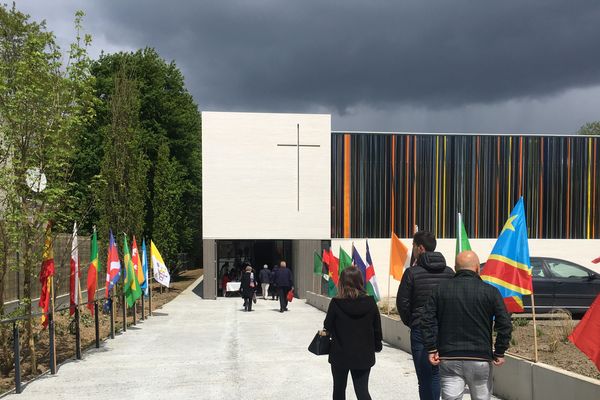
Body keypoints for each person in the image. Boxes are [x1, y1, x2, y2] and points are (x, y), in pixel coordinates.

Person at [421, 251, 512, 400]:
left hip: (449, 358)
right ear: (477, 268)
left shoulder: (440, 290)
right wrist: (500, 351)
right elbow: (505, 323)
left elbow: (426, 320)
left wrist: (431, 348)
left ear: (456, 268)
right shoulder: (491, 292)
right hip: (480, 358)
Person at [396, 230, 454, 400]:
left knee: (424, 377)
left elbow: (402, 303)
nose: (412, 250)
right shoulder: (450, 273)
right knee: (437, 375)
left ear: (420, 248)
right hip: (444, 330)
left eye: (413, 246)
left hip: (421, 330)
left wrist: (413, 321)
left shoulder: (411, 273)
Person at [324, 266, 382, 400]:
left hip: (340, 354)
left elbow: (327, 325)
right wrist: (377, 346)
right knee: (362, 391)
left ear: (342, 282)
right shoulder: (370, 302)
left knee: (338, 390)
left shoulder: (336, 303)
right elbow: (377, 329)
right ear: (360, 282)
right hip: (363, 355)